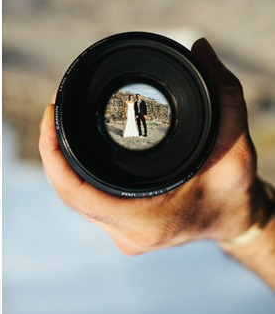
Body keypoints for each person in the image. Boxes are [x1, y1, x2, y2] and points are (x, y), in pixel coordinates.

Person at [39, 38, 275, 290]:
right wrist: (237, 218)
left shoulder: (137, 102)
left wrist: (234, 218)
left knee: (135, 129)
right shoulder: (132, 102)